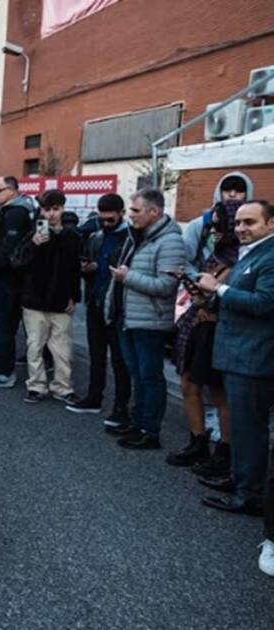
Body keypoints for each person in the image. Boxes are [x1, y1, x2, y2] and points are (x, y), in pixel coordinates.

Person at [195, 200, 273, 526]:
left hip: (253, 357)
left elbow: (265, 303)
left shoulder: (269, 257)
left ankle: (250, 493)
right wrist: (209, 293)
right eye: (239, 222)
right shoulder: (252, 252)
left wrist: (220, 289)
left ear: (270, 224)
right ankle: (239, 479)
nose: (241, 228)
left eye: (250, 222)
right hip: (237, 354)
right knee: (242, 427)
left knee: (250, 429)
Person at [105, 187, 184, 449]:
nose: (131, 215)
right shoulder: (136, 235)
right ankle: (137, 423)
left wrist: (128, 277)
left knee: (150, 376)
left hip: (150, 321)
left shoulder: (170, 241)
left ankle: (150, 431)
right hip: (128, 318)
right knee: (137, 375)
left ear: (154, 212)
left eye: (136, 211)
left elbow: (166, 286)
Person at [168, 199, 242, 470]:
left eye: (220, 227)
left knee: (218, 392)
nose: (215, 233)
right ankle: (197, 441)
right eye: (212, 227)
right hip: (196, 324)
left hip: (217, 329)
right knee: (188, 384)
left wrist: (209, 291)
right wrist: (192, 283)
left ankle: (225, 451)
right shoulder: (218, 254)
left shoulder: (241, 258)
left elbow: (231, 299)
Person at [10, 190, 81, 404]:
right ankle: (37, 385)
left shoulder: (72, 236)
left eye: (56, 209)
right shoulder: (33, 233)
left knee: (62, 349)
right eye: (47, 209)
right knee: (35, 346)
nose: (51, 214)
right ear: (41, 210)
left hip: (60, 301)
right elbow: (16, 262)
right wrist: (33, 245)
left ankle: (63, 387)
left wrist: (74, 296)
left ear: (62, 209)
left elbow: (74, 269)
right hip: (34, 300)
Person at [66, 193, 132, 424]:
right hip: (95, 301)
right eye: (102, 219)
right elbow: (87, 263)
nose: (105, 223)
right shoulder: (96, 236)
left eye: (110, 219)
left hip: (116, 306)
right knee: (96, 355)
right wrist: (88, 268)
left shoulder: (131, 238)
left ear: (122, 214)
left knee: (119, 360)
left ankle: (121, 407)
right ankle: (94, 398)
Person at [0, 176, 36, 388]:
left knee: (3, 326)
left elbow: (8, 247)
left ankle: (5, 373)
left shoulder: (16, 213)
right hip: (4, 278)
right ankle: (2, 367)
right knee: (2, 325)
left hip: (6, 279)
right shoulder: (10, 211)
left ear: (12, 191)